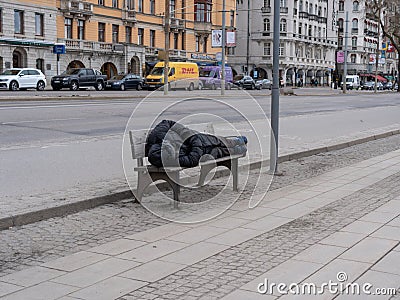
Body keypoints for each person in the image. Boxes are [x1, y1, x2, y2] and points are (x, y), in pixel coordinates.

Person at [145, 120, 248, 168]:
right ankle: (235, 149)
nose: (176, 152)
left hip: (196, 138)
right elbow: (192, 161)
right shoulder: (170, 159)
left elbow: (170, 123)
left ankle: (235, 141)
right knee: (220, 152)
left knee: (220, 141)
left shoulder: (158, 134)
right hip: (202, 153)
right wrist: (196, 148)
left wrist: (189, 136)